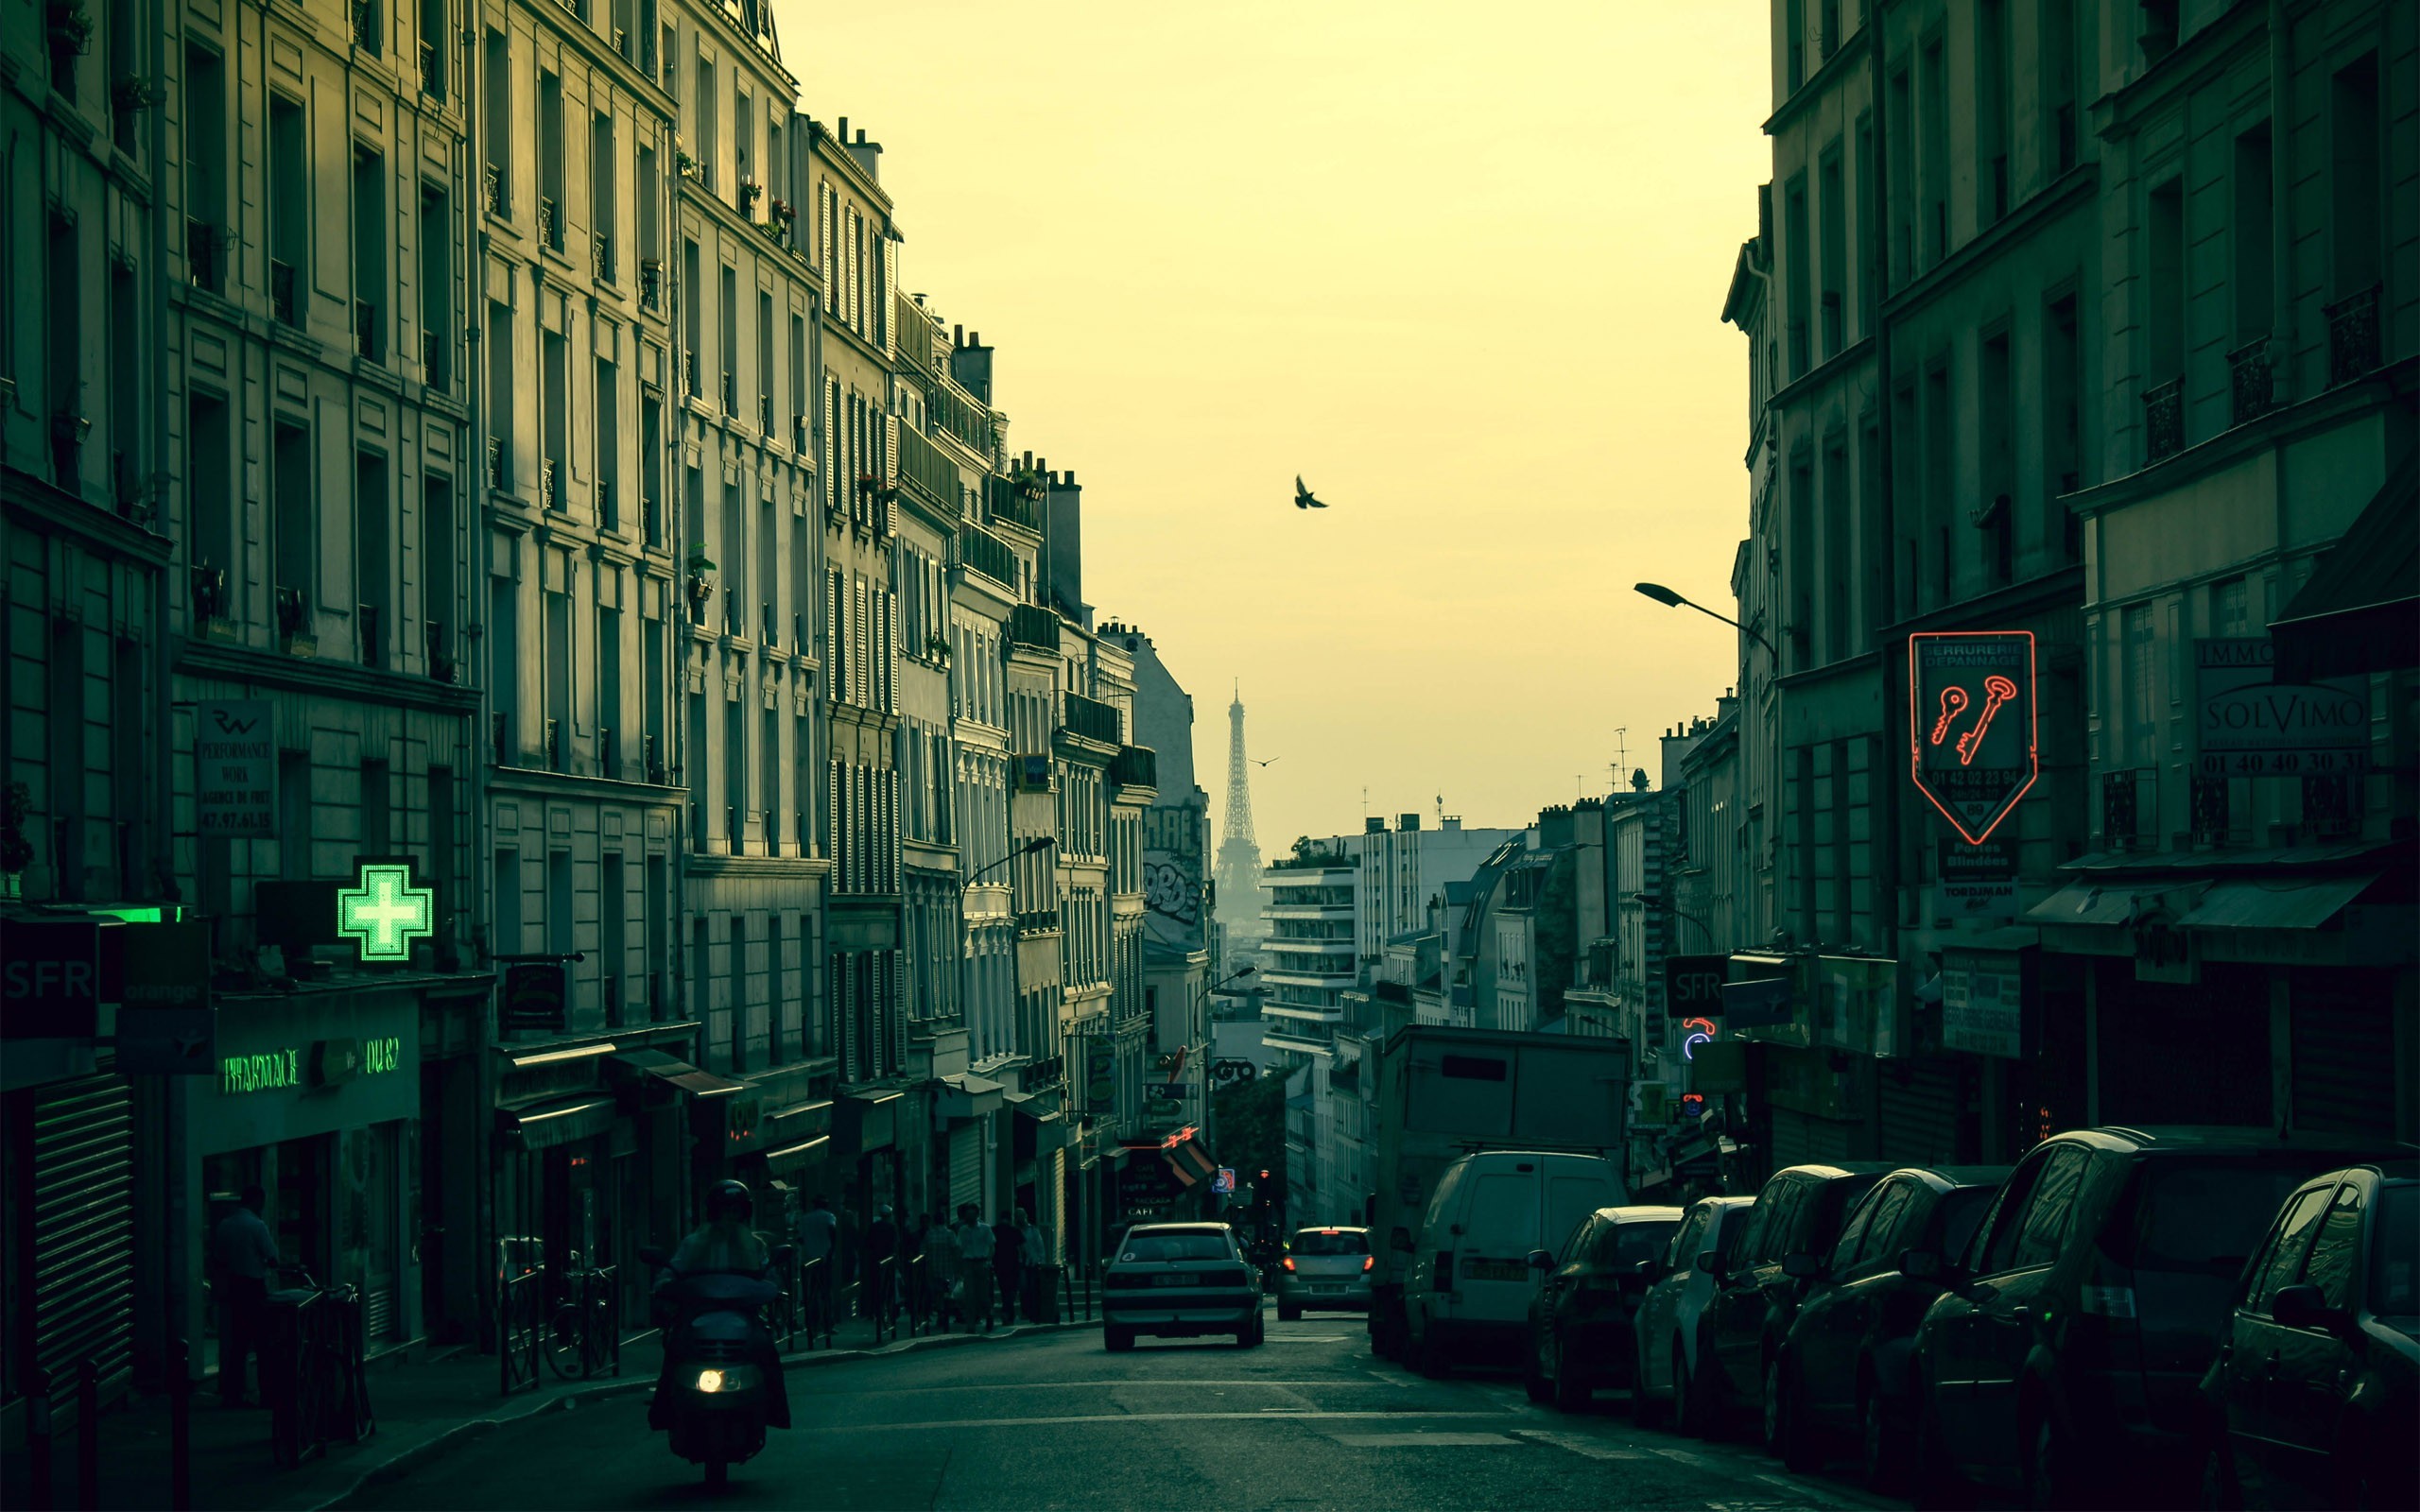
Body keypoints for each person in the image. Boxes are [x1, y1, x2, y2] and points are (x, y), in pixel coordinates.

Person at [650, 1180, 789, 1431]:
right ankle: (664, 1412)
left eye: (735, 1210)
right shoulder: (693, 1243)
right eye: (725, 1210)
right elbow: (673, 1269)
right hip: (698, 1312)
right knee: (675, 1351)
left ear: (744, 1213)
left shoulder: (755, 1245)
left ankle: (775, 1410)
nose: (730, 1217)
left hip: (742, 1313)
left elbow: (769, 1274)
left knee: (766, 1349)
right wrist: (666, 1283)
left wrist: (771, 1285)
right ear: (714, 1212)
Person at [209, 1185, 279, 1407]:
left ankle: (233, 1394)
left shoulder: (225, 1225)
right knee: (263, 1344)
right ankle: (267, 1394)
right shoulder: (257, 1226)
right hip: (254, 1288)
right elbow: (272, 1257)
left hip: (234, 1288)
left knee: (237, 1345)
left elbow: (219, 1258)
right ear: (257, 1201)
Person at [794, 1194, 838, 1326]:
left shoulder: (805, 1219)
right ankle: (827, 1321)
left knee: (812, 1290)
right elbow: (832, 1231)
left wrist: (810, 1243)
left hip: (810, 1260)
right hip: (825, 1258)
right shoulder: (829, 1217)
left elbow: (800, 1238)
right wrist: (831, 1249)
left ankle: (812, 1320)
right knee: (826, 1290)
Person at [954, 1204, 996, 1331]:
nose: (969, 1217)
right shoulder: (963, 1230)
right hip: (968, 1263)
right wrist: (958, 1267)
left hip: (981, 1262)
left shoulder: (985, 1229)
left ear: (977, 1215)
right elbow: (959, 1248)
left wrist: (988, 1260)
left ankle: (989, 1314)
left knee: (983, 1295)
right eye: (968, 1215)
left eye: (972, 1215)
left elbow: (992, 1246)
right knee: (970, 1295)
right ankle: (970, 1323)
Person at [864, 1204, 900, 1323]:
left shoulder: (874, 1227)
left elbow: (868, 1244)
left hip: (875, 1261)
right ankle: (889, 1311)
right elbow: (895, 1244)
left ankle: (876, 1311)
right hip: (888, 1261)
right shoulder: (892, 1227)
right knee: (889, 1286)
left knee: (876, 1286)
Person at [991, 1210, 1024, 1325]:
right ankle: (1006, 1311)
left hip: (999, 1264)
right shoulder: (1015, 1231)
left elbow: (991, 1247)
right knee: (1012, 1289)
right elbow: (1022, 1248)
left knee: (1004, 1289)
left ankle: (1008, 1313)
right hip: (1013, 1264)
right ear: (1010, 1219)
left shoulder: (994, 1230)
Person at [1018, 1209, 1049, 1320]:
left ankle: (1033, 1311)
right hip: (1021, 1263)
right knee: (1023, 1288)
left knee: (1032, 1287)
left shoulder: (1033, 1230)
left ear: (1025, 1216)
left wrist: (1041, 1260)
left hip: (1033, 1262)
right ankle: (1025, 1311)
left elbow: (1040, 1246)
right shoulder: (1016, 1231)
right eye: (1017, 1216)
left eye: (1020, 1216)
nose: (1018, 1218)